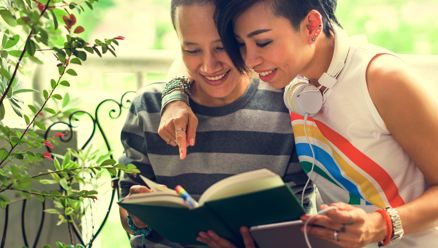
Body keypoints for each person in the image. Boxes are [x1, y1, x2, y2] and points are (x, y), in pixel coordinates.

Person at [158, 0, 438, 247]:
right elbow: (197, 56)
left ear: (312, 26)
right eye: (240, 44)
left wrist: (380, 226)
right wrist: (175, 97)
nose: (249, 60)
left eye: (263, 42)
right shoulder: (289, 72)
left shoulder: (382, 79)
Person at [118, 0, 313, 247]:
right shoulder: (149, 107)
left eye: (221, 47)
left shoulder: (288, 106)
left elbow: (297, 224)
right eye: (192, 50)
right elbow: (127, 214)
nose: (209, 66)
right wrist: (137, 217)